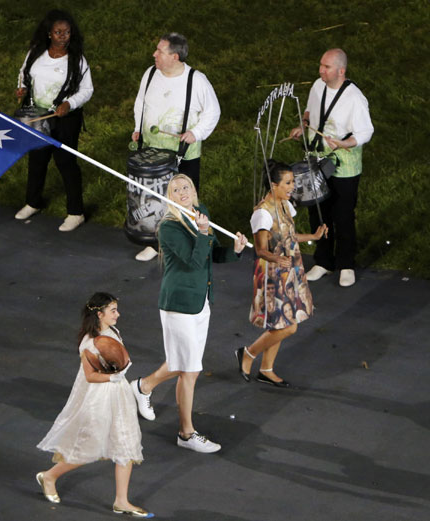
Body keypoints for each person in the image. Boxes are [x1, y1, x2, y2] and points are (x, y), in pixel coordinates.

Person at [130, 174, 247, 453]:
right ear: (170, 196)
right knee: (191, 369)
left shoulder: (201, 212)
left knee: (183, 363)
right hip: (179, 305)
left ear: (194, 191)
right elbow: (194, 262)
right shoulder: (168, 227)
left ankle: (143, 386)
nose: (182, 192)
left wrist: (235, 251)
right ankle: (186, 433)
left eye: (186, 187)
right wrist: (202, 232)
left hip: (201, 301)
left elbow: (212, 254)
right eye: (176, 189)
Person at [35, 292, 153, 518]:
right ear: (99, 314)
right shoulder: (89, 343)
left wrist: (120, 372)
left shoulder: (113, 331)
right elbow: (90, 376)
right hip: (100, 398)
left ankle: (121, 501)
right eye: (113, 311)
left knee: (125, 445)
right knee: (88, 447)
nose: (118, 314)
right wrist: (113, 377)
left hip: (119, 396)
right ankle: (49, 476)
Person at [236, 161, 327, 387]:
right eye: (287, 183)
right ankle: (248, 353)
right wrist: (278, 258)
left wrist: (313, 237)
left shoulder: (286, 205)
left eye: (293, 182)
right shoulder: (263, 214)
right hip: (273, 273)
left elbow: (289, 236)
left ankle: (266, 369)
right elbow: (260, 250)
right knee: (289, 325)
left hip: (290, 269)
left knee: (280, 324)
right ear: (273, 185)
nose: (292, 187)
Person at [131, 33, 221, 261]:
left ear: (175, 56)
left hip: (183, 155)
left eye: (159, 51)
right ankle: (155, 241)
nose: (154, 55)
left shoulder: (196, 80)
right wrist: (138, 127)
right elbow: (140, 102)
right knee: (155, 199)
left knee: (184, 200)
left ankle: (189, 243)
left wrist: (196, 133)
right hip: (152, 153)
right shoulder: (150, 73)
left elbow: (213, 112)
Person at [289, 48, 374, 287]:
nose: (321, 71)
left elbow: (366, 131)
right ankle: (323, 261)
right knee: (318, 211)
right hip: (318, 160)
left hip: (344, 166)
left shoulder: (355, 98)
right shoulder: (318, 86)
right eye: (321, 65)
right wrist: (302, 124)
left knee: (343, 215)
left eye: (326, 67)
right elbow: (310, 111)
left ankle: (346, 264)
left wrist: (344, 143)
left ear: (341, 71)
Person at [14, 10, 93, 232]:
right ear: (49, 33)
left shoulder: (77, 59)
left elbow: (87, 89)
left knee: (65, 162)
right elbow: (23, 72)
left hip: (64, 119)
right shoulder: (36, 53)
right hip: (38, 115)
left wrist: (69, 104)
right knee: (37, 158)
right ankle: (33, 202)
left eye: (67, 33)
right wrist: (22, 87)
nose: (63, 36)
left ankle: (76, 212)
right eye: (58, 32)